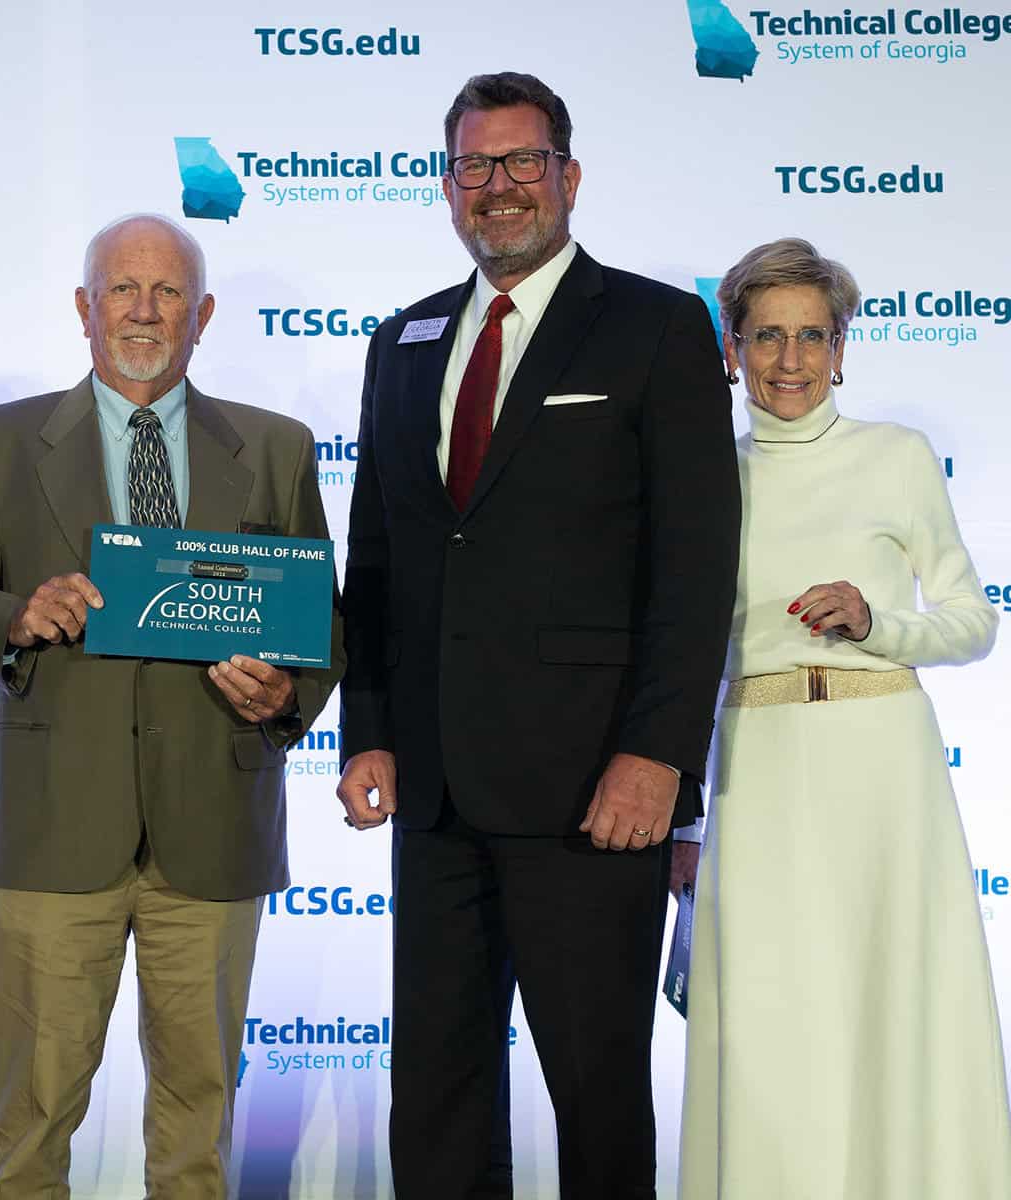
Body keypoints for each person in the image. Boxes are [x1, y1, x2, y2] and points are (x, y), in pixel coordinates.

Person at [335, 72, 741, 1199]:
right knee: (439, 1096)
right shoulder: (402, 341)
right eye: (475, 166)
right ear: (446, 185)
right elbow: (373, 558)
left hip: (591, 792)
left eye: (521, 163)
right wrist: (366, 728)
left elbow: (695, 569)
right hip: (435, 790)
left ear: (568, 175)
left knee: (598, 1094)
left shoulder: (659, 326)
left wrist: (660, 757)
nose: (498, 188)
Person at [0, 213, 343, 1199]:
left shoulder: (276, 449)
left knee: (199, 1126)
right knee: (32, 1123)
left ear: (204, 315)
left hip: (216, 828)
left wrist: (285, 693)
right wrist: (16, 615)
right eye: (122, 290)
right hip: (57, 830)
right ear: (83, 308)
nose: (144, 313)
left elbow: (319, 625)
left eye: (167, 294)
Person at [677, 237, 1011, 1198]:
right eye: (767, 336)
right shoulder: (707, 475)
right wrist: (688, 816)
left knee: (887, 1007)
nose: (791, 361)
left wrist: (878, 621)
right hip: (755, 769)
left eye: (812, 337)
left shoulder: (896, 457)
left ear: (842, 348)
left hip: (881, 769)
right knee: (771, 1022)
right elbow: (684, 660)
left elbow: (973, 621)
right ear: (731, 348)